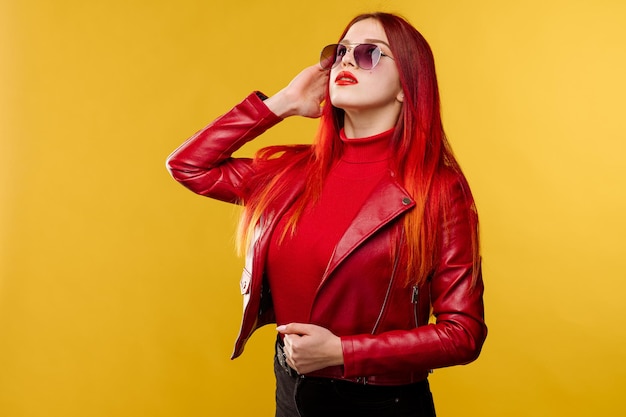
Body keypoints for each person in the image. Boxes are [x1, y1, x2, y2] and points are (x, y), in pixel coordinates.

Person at [166, 11, 487, 417]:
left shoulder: (438, 189)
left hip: (379, 402)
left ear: (407, 86)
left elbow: (463, 334)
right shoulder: (292, 173)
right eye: (341, 52)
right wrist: (282, 103)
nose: (347, 61)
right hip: (292, 390)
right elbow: (188, 166)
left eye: (370, 53)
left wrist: (343, 352)